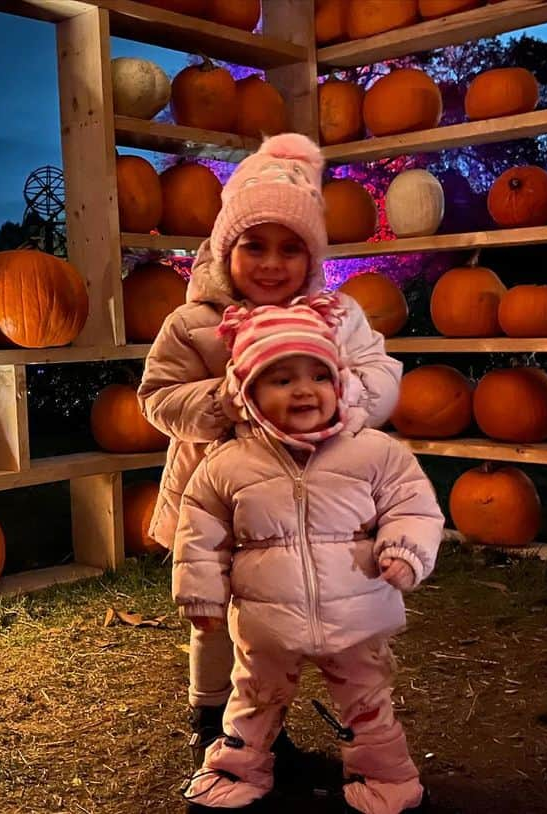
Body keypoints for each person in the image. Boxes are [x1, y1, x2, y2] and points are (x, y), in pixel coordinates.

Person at [137, 133, 403, 771]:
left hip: (311, 499)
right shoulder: (193, 323)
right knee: (218, 613)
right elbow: (157, 398)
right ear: (224, 248)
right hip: (217, 496)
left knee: (298, 610)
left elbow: (380, 374)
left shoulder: (336, 318)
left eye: (291, 249)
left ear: (311, 258)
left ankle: (283, 726)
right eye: (254, 245)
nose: (271, 263)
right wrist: (226, 402)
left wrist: (347, 401)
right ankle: (212, 722)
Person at [173, 298, 443, 814]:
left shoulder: (373, 452)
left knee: (368, 705)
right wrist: (201, 592)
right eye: (281, 379)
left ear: (339, 381)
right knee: (251, 701)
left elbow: (414, 504)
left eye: (319, 375)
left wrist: (405, 549)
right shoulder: (227, 464)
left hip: (358, 612)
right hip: (265, 619)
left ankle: (389, 785)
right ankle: (235, 777)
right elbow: (201, 532)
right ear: (248, 392)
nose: (304, 389)